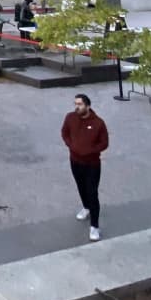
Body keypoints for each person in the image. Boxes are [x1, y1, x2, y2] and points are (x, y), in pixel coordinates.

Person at [60, 93, 109, 242]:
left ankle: (94, 226)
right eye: (75, 104)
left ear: (87, 106)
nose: (77, 107)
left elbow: (104, 143)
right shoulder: (70, 118)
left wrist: (90, 151)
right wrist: (71, 145)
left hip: (92, 165)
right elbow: (64, 133)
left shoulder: (98, 123)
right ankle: (86, 207)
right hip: (75, 161)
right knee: (81, 187)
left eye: (80, 104)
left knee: (92, 193)